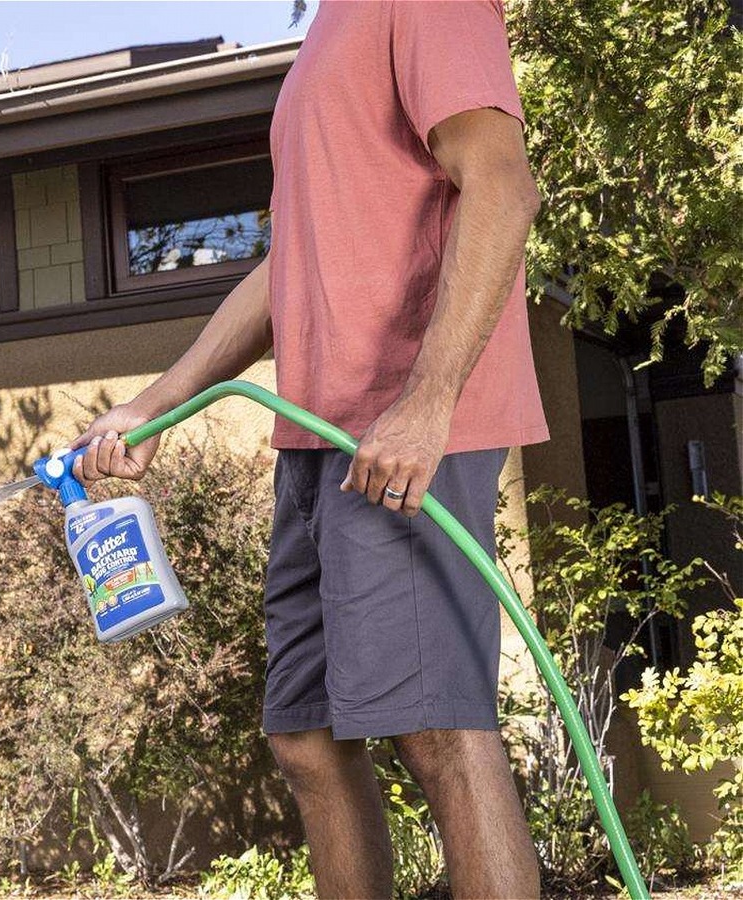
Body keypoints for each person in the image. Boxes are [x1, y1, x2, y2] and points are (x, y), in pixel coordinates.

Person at [70, 2, 546, 897]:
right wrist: (156, 403)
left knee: (438, 730)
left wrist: (426, 402)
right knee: (307, 736)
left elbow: (501, 183)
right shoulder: (330, 30)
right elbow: (290, 261)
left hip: (399, 437)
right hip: (318, 438)